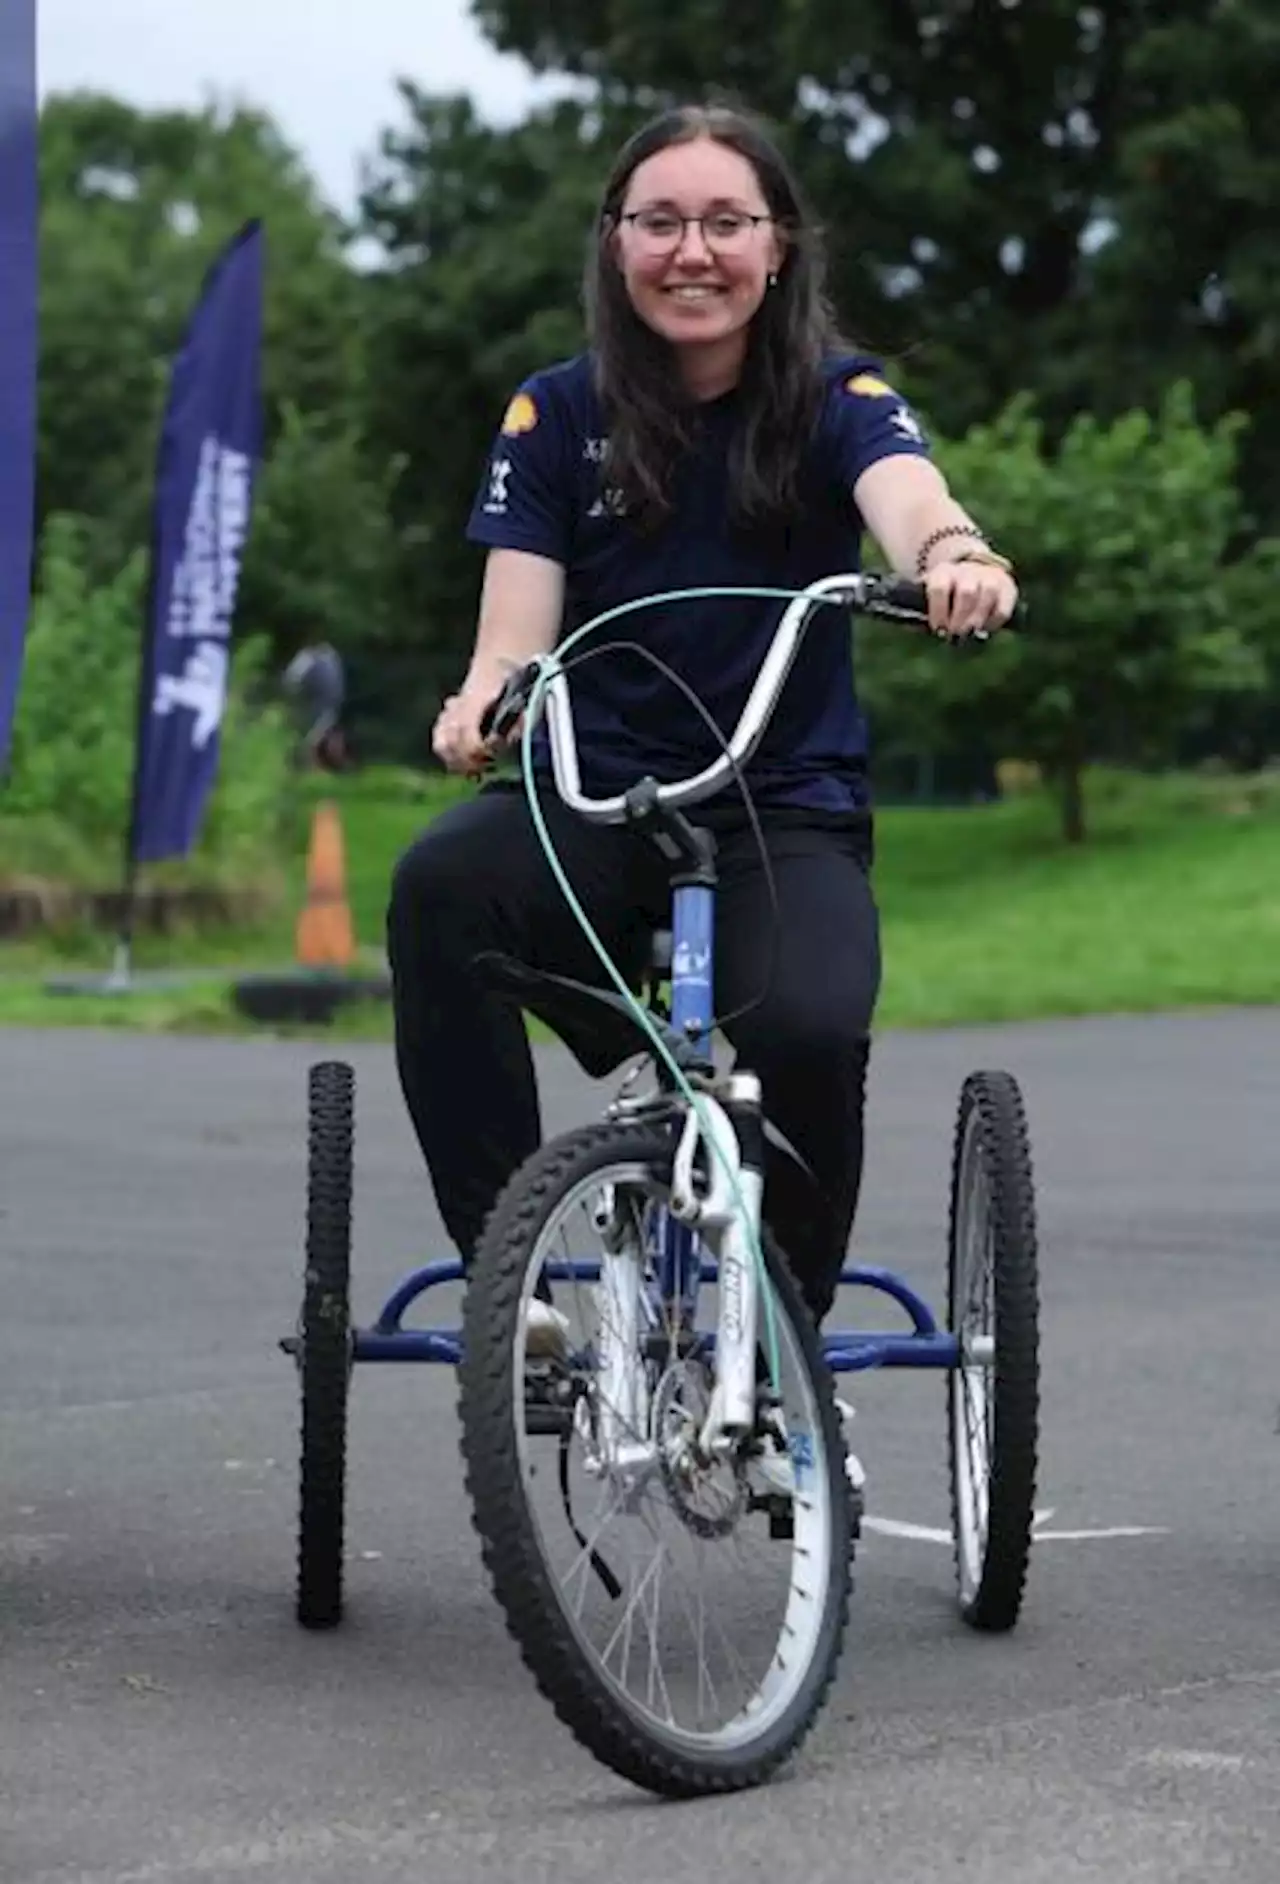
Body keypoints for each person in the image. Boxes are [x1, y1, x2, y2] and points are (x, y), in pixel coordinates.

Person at [386, 104, 1018, 1459]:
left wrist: (957, 553)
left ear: (777, 246)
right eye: (659, 222)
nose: (693, 251)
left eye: (725, 223)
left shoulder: (834, 399)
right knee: (441, 890)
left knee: (805, 1028)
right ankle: (516, 1282)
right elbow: (513, 633)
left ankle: (785, 1334)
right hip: (593, 800)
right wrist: (485, 698)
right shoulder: (554, 413)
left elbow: (908, 494)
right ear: (616, 245)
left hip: (776, 806)